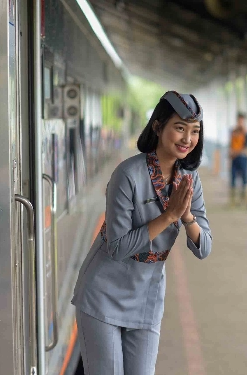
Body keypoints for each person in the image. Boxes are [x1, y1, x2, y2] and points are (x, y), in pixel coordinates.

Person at [71, 91, 212, 375]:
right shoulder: (127, 174)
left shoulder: (189, 179)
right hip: (103, 295)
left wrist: (186, 217)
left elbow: (204, 247)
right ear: (158, 127)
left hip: (146, 298)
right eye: (180, 128)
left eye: (194, 131)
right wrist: (169, 216)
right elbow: (118, 247)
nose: (187, 139)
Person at [229, 112, 247, 205]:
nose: (240, 122)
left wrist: (235, 153)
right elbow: (231, 144)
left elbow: (245, 147)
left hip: (242, 157)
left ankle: (243, 200)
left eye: (242, 120)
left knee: (244, 177)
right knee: (233, 177)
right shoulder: (233, 131)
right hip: (234, 158)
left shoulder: (246, 133)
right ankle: (233, 200)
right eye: (239, 120)